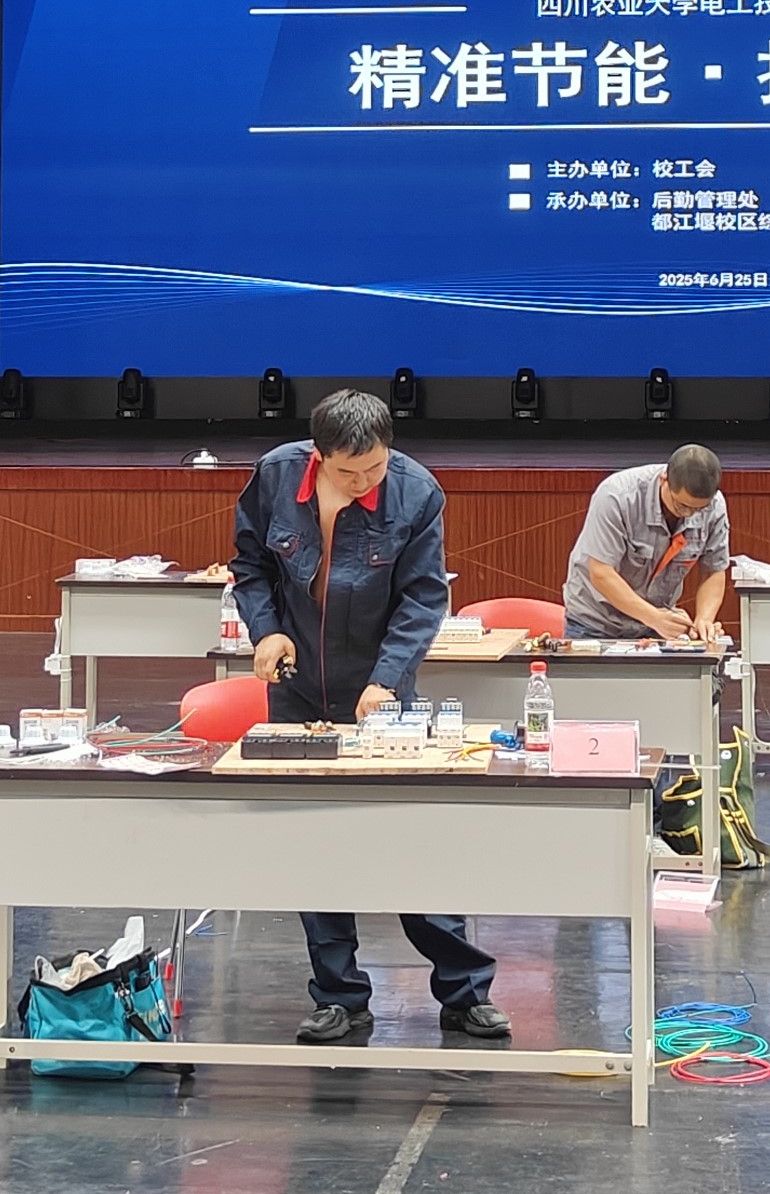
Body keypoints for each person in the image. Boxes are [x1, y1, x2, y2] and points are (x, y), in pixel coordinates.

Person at [229, 388, 508, 1047]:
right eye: (348, 472)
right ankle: (338, 996)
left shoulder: (416, 492)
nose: (363, 483)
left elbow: (423, 598)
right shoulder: (275, 476)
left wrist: (387, 679)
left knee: (408, 840)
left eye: (375, 468)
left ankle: (465, 993)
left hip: (382, 688)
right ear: (318, 456)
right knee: (314, 843)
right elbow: (251, 566)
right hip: (298, 686)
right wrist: (267, 631)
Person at [563, 444, 733, 642]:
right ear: (664, 480)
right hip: (595, 624)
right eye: (682, 506)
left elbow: (714, 570)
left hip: (655, 626)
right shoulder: (617, 497)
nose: (689, 514)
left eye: (698, 509)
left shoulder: (715, 506)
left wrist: (704, 620)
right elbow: (601, 572)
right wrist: (654, 618)